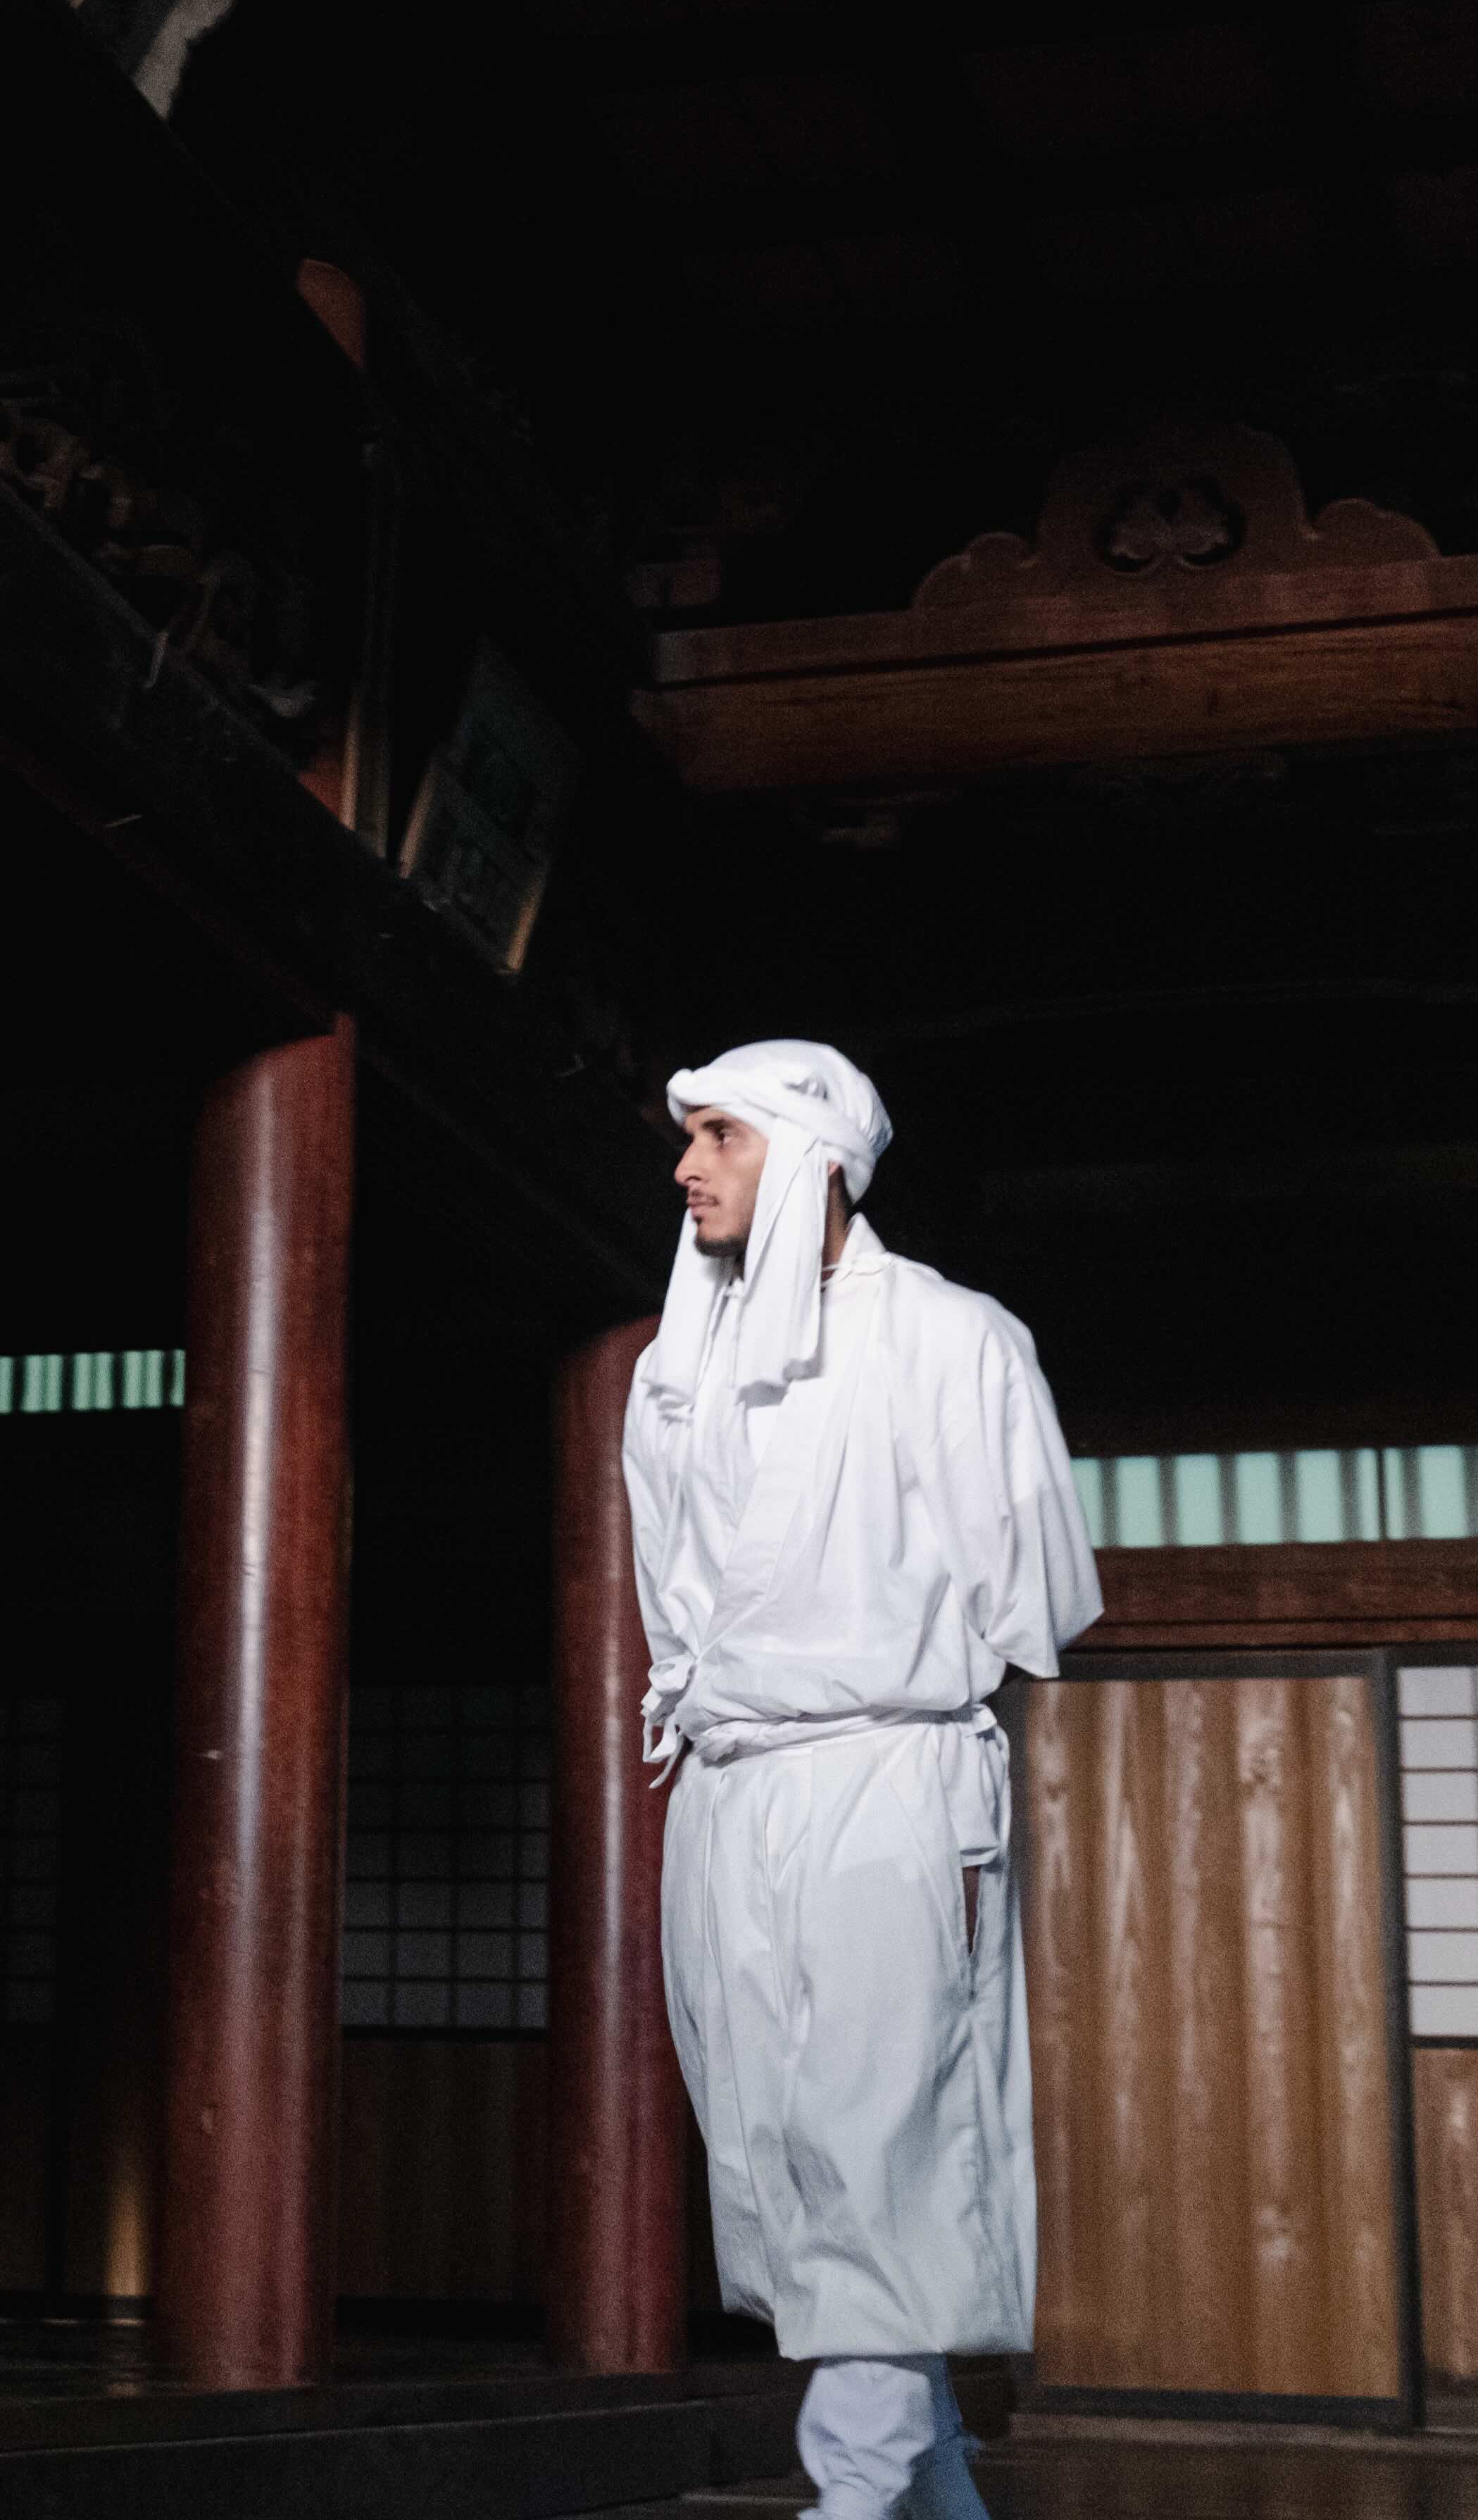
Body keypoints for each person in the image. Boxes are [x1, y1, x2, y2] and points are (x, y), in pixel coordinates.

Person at [625, 1040, 1101, 2520]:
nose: (687, 1166)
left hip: (885, 1774)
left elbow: (1033, 1598)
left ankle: (852, 2492)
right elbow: (673, 1594)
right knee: (777, 2149)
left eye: (720, 1135)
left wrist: (881, 1672)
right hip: (727, 1781)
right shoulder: (675, 1367)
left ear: (813, 1156)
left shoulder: (952, 1338)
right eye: (687, 1137)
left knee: (881, 2135)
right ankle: (928, 2488)